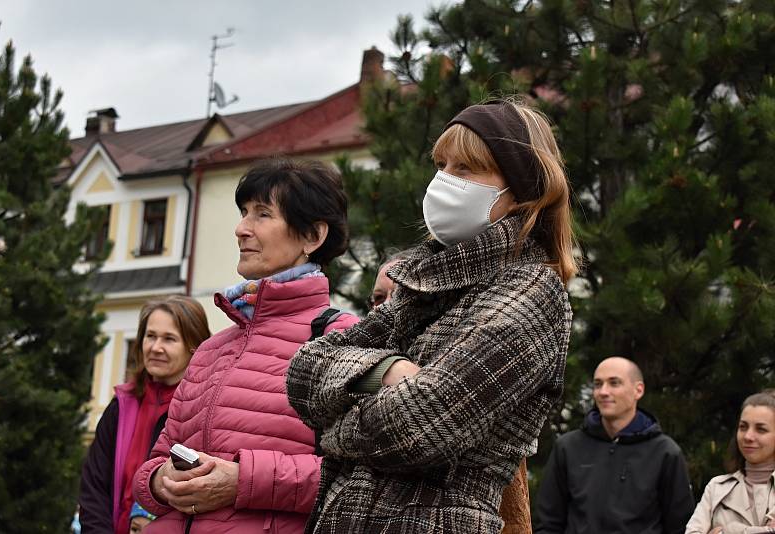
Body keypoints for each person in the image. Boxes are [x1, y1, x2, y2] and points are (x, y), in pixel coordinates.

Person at [287, 99, 576, 533]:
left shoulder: (532, 292)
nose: (444, 181)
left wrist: (333, 435)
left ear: (521, 187)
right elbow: (303, 372)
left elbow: (420, 426)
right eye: (442, 165)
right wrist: (388, 370)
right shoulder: (424, 281)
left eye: (466, 168)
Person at [132, 158, 357, 533]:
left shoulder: (340, 339)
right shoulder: (210, 351)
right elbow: (153, 465)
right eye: (243, 213)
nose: (241, 229)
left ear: (312, 237)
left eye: (262, 214)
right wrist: (161, 480)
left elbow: (358, 478)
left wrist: (242, 481)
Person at [370, 248, 532, 533]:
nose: (385, 308)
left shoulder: (472, 378)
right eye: (378, 298)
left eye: (399, 296)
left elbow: (513, 512)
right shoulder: (357, 368)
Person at [79, 296, 211, 534]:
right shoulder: (122, 404)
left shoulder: (204, 409)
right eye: (150, 336)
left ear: (194, 346)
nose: (155, 347)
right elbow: (94, 487)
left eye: (169, 339)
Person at [535, 356, 694, 533]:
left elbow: (680, 527)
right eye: (597, 384)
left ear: (638, 390)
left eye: (614, 383)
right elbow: (548, 524)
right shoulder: (568, 447)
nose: (603, 391)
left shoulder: (665, 452)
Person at [686, 391, 775, 533]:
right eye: (743, 427)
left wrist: (727, 531)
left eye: (761, 429)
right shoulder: (716, 488)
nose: (748, 436)